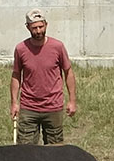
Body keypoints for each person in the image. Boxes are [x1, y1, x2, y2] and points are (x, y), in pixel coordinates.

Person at [10, 9, 76, 146]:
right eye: (34, 28)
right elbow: (16, 75)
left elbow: (68, 72)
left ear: (46, 25)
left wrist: (72, 101)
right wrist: (14, 103)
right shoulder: (21, 49)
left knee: (55, 150)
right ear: (28, 27)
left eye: (41, 26)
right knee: (25, 150)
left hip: (53, 106)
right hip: (29, 107)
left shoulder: (57, 47)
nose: (38, 31)